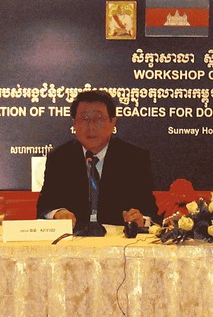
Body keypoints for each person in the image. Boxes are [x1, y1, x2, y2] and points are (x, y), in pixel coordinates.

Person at [37, 89, 158, 230]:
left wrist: (141, 220)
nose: (91, 126)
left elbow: (150, 213)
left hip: (117, 241)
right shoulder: (60, 158)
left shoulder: (134, 159)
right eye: (84, 119)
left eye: (99, 118)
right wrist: (57, 213)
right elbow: (44, 208)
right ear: (74, 124)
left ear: (113, 122)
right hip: (73, 239)